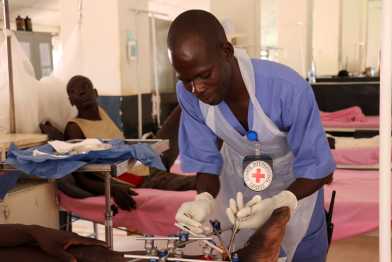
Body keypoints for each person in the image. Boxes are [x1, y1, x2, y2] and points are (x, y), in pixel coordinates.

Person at [169, 10, 336, 262]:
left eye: (204, 75)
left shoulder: (287, 89)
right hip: (235, 186)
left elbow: (320, 169)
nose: (197, 89)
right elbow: (206, 162)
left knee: (301, 252)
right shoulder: (189, 96)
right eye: (186, 80)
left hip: (296, 187)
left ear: (226, 51)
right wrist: (203, 198)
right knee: (240, 252)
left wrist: (281, 201)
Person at [40, 75, 195, 212]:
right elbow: (81, 177)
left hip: (145, 163)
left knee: (183, 110)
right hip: (138, 179)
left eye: (84, 89)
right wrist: (113, 189)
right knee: (196, 182)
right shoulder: (74, 129)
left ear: (95, 93)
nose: (80, 94)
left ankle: (197, 87)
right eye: (74, 92)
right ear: (71, 101)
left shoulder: (100, 112)